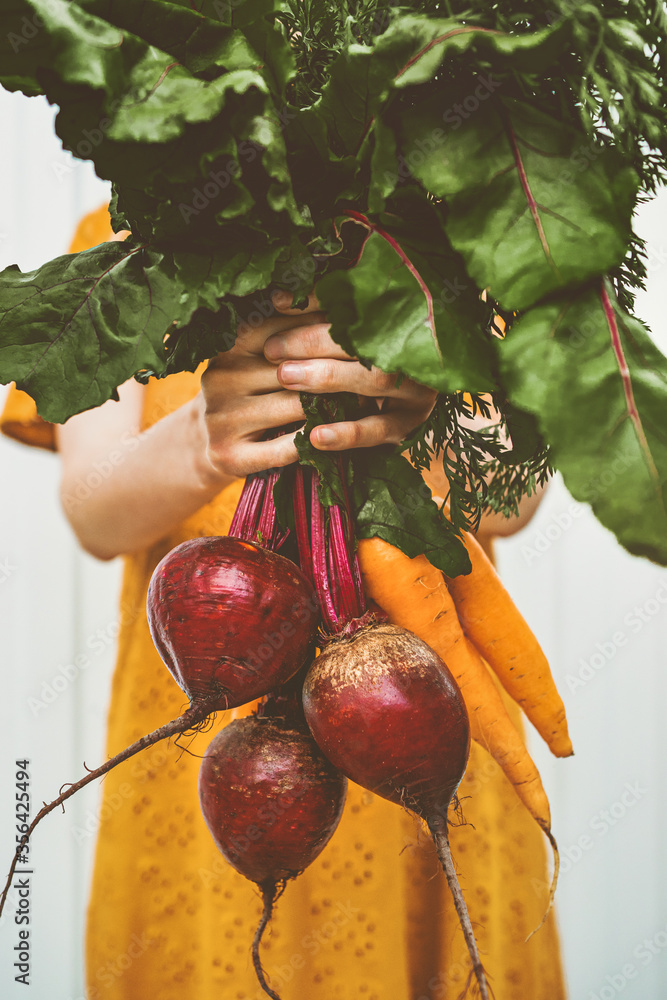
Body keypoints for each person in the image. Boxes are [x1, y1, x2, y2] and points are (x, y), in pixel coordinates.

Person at [1, 205, 565, 1000]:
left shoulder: (450, 223)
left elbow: (513, 501)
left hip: (420, 725)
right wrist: (203, 439)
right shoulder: (122, 244)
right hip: (214, 745)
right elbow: (94, 513)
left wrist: (427, 412)